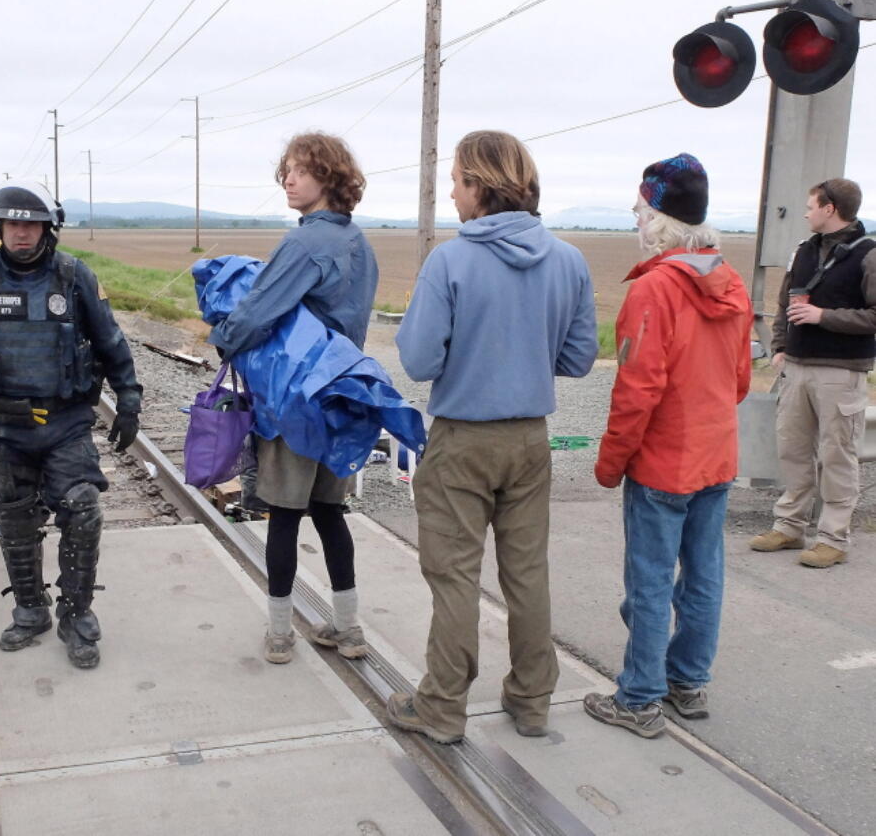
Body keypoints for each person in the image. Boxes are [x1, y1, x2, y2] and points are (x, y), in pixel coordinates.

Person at [389, 130, 597, 743]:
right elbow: (581, 357)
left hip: (462, 441)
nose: (451, 193)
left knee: (454, 577)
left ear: (479, 186)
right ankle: (532, 700)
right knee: (527, 575)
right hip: (531, 441)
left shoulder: (450, 260)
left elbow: (420, 360)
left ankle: (442, 708)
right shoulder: (569, 260)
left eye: (455, 180)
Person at [0, 184, 141, 668]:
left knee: (83, 509)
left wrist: (128, 396)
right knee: (16, 520)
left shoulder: (73, 276)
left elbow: (110, 337)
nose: (22, 232)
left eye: (31, 224)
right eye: (12, 224)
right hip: (3, 429)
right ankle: (30, 610)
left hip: (65, 423)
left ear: (48, 228)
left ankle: (77, 612)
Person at [584, 153, 752, 739]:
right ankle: (688, 681)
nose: (634, 216)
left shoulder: (654, 290)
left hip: (663, 464)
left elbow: (637, 392)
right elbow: (739, 382)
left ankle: (639, 699)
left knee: (651, 581)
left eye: (639, 207)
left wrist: (610, 464)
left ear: (656, 217)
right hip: (716, 455)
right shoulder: (729, 282)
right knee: (704, 575)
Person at [207, 132, 379, 665]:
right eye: (285, 169)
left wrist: (223, 338)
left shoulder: (303, 243)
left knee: (283, 514)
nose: (288, 178)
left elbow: (257, 313)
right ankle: (347, 630)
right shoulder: (360, 243)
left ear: (327, 177)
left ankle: (280, 635)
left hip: (295, 401)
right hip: (342, 396)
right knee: (330, 512)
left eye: (300, 169)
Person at [749, 178, 875, 569]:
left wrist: (824, 317)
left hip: (841, 372)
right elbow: (786, 300)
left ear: (830, 208)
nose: (805, 212)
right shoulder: (802, 251)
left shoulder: (869, 256)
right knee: (793, 451)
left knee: (837, 455)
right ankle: (790, 527)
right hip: (797, 368)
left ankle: (833, 538)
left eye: (810, 205)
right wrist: (781, 347)